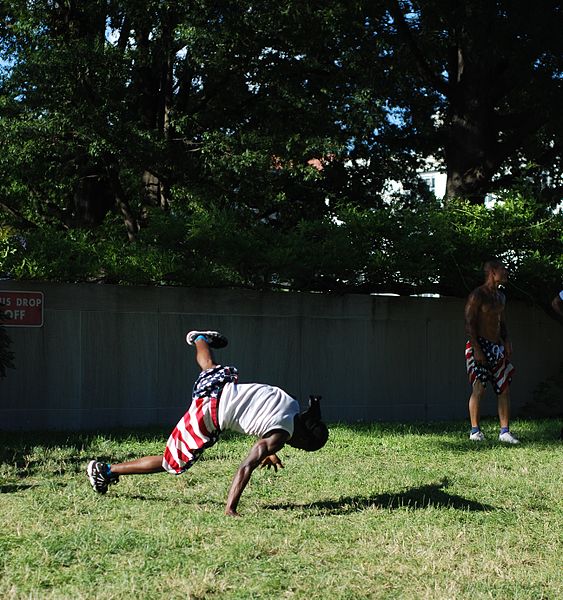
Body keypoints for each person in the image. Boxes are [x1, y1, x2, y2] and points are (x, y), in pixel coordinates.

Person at [87, 330, 329, 516]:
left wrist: (271, 450)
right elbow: (246, 466)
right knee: (172, 463)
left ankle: (199, 338)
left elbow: (264, 416)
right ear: (304, 438)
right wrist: (230, 508)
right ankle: (105, 471)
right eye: (303, 446)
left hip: (220, 387)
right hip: (207, 415)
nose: (297, 448)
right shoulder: (279, 436)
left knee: (209, 367)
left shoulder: (292, 404)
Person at [464, 260, 519, 444]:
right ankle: (475, 431)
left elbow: (501, 323)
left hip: (496, 347)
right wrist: (477, 349)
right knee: (479, 387)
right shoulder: (478, 295)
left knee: (503, 388)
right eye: (503, 269)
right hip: (478, 345)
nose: (506, 272)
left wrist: (507, 340)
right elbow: (469, 324)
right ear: (492, 272)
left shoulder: (501, 297)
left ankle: (504, 432)